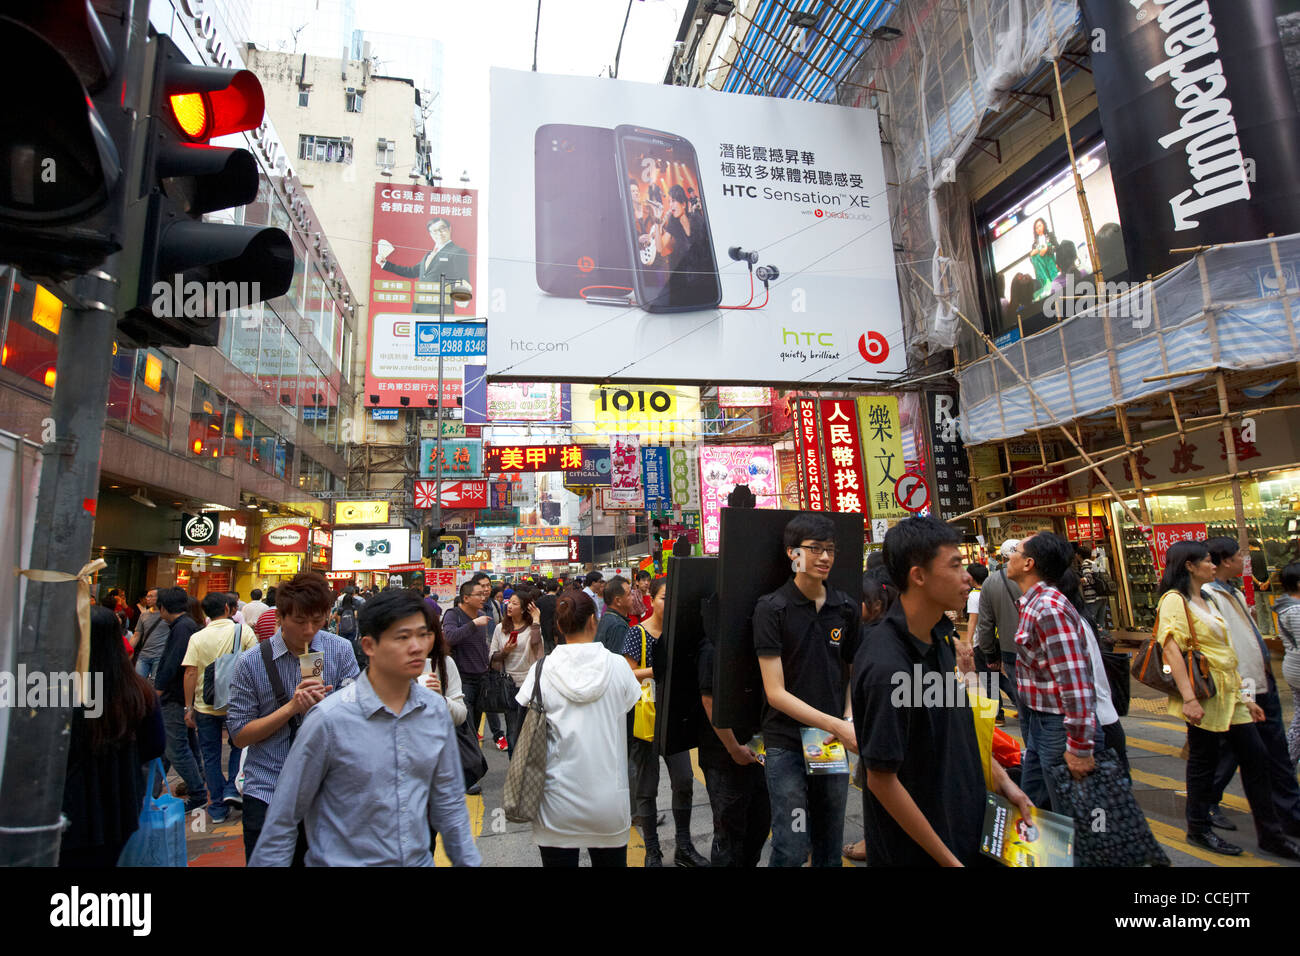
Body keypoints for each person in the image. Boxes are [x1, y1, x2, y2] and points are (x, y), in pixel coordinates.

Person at [249, 590, 481, 866]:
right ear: (369, 645)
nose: (418, 646)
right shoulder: (329, 721)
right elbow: (284, 819)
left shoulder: (434, 711)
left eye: (424, 634)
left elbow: (449, 803)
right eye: (402, 637)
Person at [854, 517, 1032, 866]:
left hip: (966, 829)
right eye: (955, 566)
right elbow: (882, 780)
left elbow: (958, 729)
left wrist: (1003, 781)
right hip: (921, 853)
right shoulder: (886, 665)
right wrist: (948, 860)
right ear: (918, 576)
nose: (967, 577)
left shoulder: (940, 640)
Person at [228, 572, 360, 863]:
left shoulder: (340, 650)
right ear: (280, 616)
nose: (309, 630)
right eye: (300, 621)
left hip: (326, 792)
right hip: (267, 789)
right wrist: (290, 708)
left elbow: (357, 720)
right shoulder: (250, 663)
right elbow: (239, 735)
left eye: (318, 620)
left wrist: (331, 709)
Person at [753, 512, 860, 867]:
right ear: (792, 553)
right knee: (792, 845)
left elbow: (853, 669)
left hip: (829, 744)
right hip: (786, 743)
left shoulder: (844, 607)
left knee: (830, 843)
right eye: (814, 549)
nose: (825, 557)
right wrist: (838, 726)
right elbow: (775, 693)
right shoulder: (772, 609)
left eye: (830, 549)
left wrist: (847, 716)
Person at [515, 590, 642, 867]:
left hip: (554, 803)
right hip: (608, 801)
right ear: (594, 621)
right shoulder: (618, 667)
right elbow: (629, 717)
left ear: (559, 627)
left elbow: (521, 728)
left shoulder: (541, 670)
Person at [1203, 537, 1300, 838]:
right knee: (1241, 753)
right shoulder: (1209, 595)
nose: (1244, 558)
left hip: (1261, 682)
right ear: (1223, 562)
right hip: (1243, 687)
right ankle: (1207, 804)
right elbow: (1221, 647)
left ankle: (1290, 818)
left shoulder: (1228, 590)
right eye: (1237, 555)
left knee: (1275, 755)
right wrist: (1242, 694)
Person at [59, 606, 165, 867]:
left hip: (66, 809)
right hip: (120, 805)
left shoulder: (56, 690)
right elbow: (154, 747)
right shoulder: (139, 691)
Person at [1004, 533, 1101, 812]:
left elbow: (1075, 682)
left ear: (1028, 564)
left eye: (1016, 551)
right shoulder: (1034, 603)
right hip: (1041, 722)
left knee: (1069, 812)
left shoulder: (1048, 608)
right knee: (1035, 803)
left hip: (1058, 726)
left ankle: (1081, 857)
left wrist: (1080, 746)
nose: (1009, 556)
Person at [623, 578, 709, 867]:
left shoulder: (680, 633)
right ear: (651, 599)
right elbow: (627, 673)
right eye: (663, 598)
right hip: (646, 718)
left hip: (675, 716)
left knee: (684, 780)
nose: (668, 604)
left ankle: (683, 846)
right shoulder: (637, 633)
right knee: (647, 788)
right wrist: (657, 669)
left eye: (672, 599)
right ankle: (652, 851)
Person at [181, 591, 259, 822]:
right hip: (237, 702)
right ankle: (232, 790)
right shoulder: (243, 631)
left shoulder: (198, 637)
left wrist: (188, 708)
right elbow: (255, 662)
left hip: (205, 704)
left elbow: (190, 672)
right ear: (228, 608)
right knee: (239, 745)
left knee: (211, 756)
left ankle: (216, 807)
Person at [843, 567, 899, 862]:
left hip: (878, 729)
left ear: (875, 603)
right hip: (893, 726)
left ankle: (872, 841)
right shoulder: (902, 630)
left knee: (876, 788)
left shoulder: (867, 637)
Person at [151, 586, 209, 813]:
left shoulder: (182, 628)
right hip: (177, 697)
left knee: (176, 748)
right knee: (172, 746)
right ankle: (151, 791)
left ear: (163, 608)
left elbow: (175, 664)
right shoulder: (184, 626)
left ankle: (197, 792)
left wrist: (159, 690)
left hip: (174, 697)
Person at [442, 579, 494, 777]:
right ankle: (469, 773)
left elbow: (483, 646)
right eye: (479, 594)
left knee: (475, 725)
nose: (483, 597)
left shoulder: (482, 615)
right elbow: (449, 637)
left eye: (484, 593)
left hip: (482, 678)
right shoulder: (453, 615)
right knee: (467, 728)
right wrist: (473, 624)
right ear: (466, 598)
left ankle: (470, 770)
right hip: (462, 680)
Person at [375, 217, 473, 313]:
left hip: (440, 309)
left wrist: (462, 297)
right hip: (419, 307)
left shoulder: (458, 252)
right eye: (434, 231)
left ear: (449, 229)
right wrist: (386, 264)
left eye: (442, 229)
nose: (439, 233)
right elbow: (412, 272)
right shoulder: (428, 255)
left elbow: (462, 278)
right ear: (430, 234)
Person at [488, 590, 543, 756]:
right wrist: (505, 652)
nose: (509, 606)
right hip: (509, 685)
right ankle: (514, 768)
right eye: (509, 602)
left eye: (514, 603)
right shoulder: (501, 628)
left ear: (525, 608)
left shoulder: (532, 629)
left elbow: (535, 644)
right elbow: (492, 656)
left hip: (530, 685)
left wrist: (536, 620)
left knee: (531, 731)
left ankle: (528, 768)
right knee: (512, 732)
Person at [974, 539, 1023, 724]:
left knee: (1008, 682)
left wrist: (989, 654)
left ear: (1002, 557)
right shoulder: (1038, 576)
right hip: (1041, 647)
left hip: (1010, 647)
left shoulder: (991, 582)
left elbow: (985, 624)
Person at [1274, 563, 1300, 766]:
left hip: (1292, 668)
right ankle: (1287, 762)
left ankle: (1287, 761)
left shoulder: (1285, 607)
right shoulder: (1296, 610)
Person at [130, 589, 168, 684]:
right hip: (144, 655)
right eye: (147, 596)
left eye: (151, 596)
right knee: (138, 683)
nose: (147, 598)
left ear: (159, 598)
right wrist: (126, 650)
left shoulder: (167, 614)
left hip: (160, 655)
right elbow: (136, 635)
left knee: (155, 684)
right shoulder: (144, 615)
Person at [595, 575, 634, 655]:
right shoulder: (619, 626)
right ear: (618, 601)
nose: (633, 598)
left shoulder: (607, 617)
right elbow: (617, 661)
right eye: (629, 594)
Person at [1028, 217, 1058, 297]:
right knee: (1034, 256)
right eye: (1036, 228)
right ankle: (1045, 283)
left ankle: (1054, 283)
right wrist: (1034, 253)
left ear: (1044, 225)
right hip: (1042, 267)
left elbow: (1057, 247)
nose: (1038, 229)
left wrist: (1047, 249)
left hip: (1052, 263)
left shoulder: (1050, 235)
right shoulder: (1034, 244)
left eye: (1040, 226)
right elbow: (1033, 260)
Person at [536, 578, 559, 655]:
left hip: (543, 631)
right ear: (558, 588)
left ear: (546, 588)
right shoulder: (560, 600)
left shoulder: (539, 601)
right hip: (556, 633)